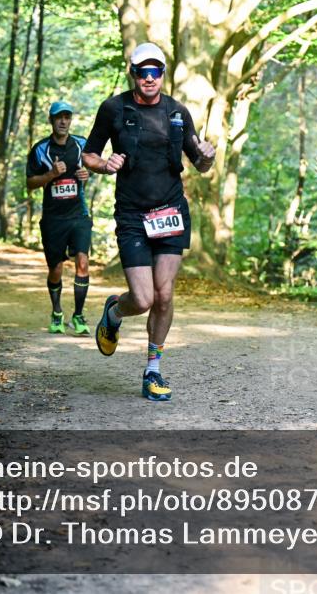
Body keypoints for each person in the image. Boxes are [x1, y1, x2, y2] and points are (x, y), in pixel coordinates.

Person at [82, 42, 216, 401]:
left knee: (165, 294)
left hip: (171, 211)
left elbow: (199, 164)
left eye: (156, 72)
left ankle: (153, 370)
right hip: (132, 215)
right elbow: (89, 154)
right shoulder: (114, 108)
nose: (150, 78)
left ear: (163, 75)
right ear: (133, 73)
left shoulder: (177, 112)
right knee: (142, 299)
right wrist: (103, 164)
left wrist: (207, 157)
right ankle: (114, 311)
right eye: (143, 71)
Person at [26, 101, 93, 335]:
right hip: (53, 219)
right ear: (51, 121)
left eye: (67, 117)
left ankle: (78, 315)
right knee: (55, 269)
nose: (63, 121)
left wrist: (88, 173)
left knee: (82, 262)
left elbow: (92, 166)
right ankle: (57, 313)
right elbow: (30, 184)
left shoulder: (81, 144)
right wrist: (51, 175)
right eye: (59, 117)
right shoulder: (40, 149)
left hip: (79, 215)